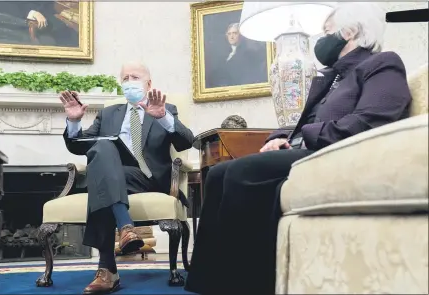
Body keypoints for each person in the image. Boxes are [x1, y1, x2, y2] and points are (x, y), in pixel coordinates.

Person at [185, 3, 412, 295]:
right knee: (218, 174)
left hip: (337, 155)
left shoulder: (381, 63)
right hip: (312, 151)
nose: (322, 39)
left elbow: (373, 119)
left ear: (351, 31)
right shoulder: (333, 76)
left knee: (245, 171)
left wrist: (304, 137)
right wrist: (280, 137)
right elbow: (304, 122)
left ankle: (246, 285)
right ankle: (208, 284)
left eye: (327, 31)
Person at [60, 62, 194, 294]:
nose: (129, 81)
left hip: (149, 178)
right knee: (101, 150)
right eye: (125, 78)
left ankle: (107, 269)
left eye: (135, 77)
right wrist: (74, 121)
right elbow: (79, 145)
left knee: (99, 178)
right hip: (114, 175)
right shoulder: (109, 114)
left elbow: (186, 141)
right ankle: (126, 227)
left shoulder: (165, 108)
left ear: (148, 84)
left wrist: (162, 117)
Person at [207, 23, 267, 88]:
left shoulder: (248, 54)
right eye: (229, 34)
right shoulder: (224, 55)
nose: (231, 37)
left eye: (234, 33)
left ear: (240, 35)